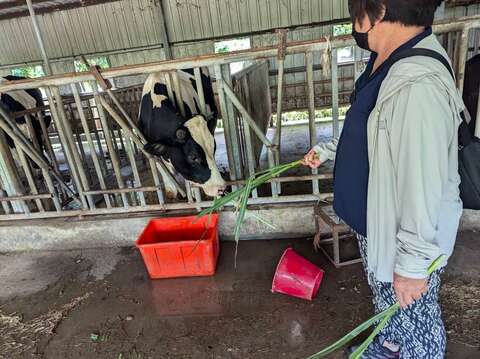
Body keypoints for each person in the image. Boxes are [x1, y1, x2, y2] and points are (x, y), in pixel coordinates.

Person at [303, 1, 464, 358]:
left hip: (404, 233)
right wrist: (331, 149)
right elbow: (373, 129)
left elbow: (423, 181)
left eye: (355, 14)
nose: (354, 26)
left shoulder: (417, 86)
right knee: (386, 296)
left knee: (415, 316)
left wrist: (412, 265)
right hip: (376, 221)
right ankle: (390, 345)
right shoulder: (390, 60)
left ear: (376, 10)